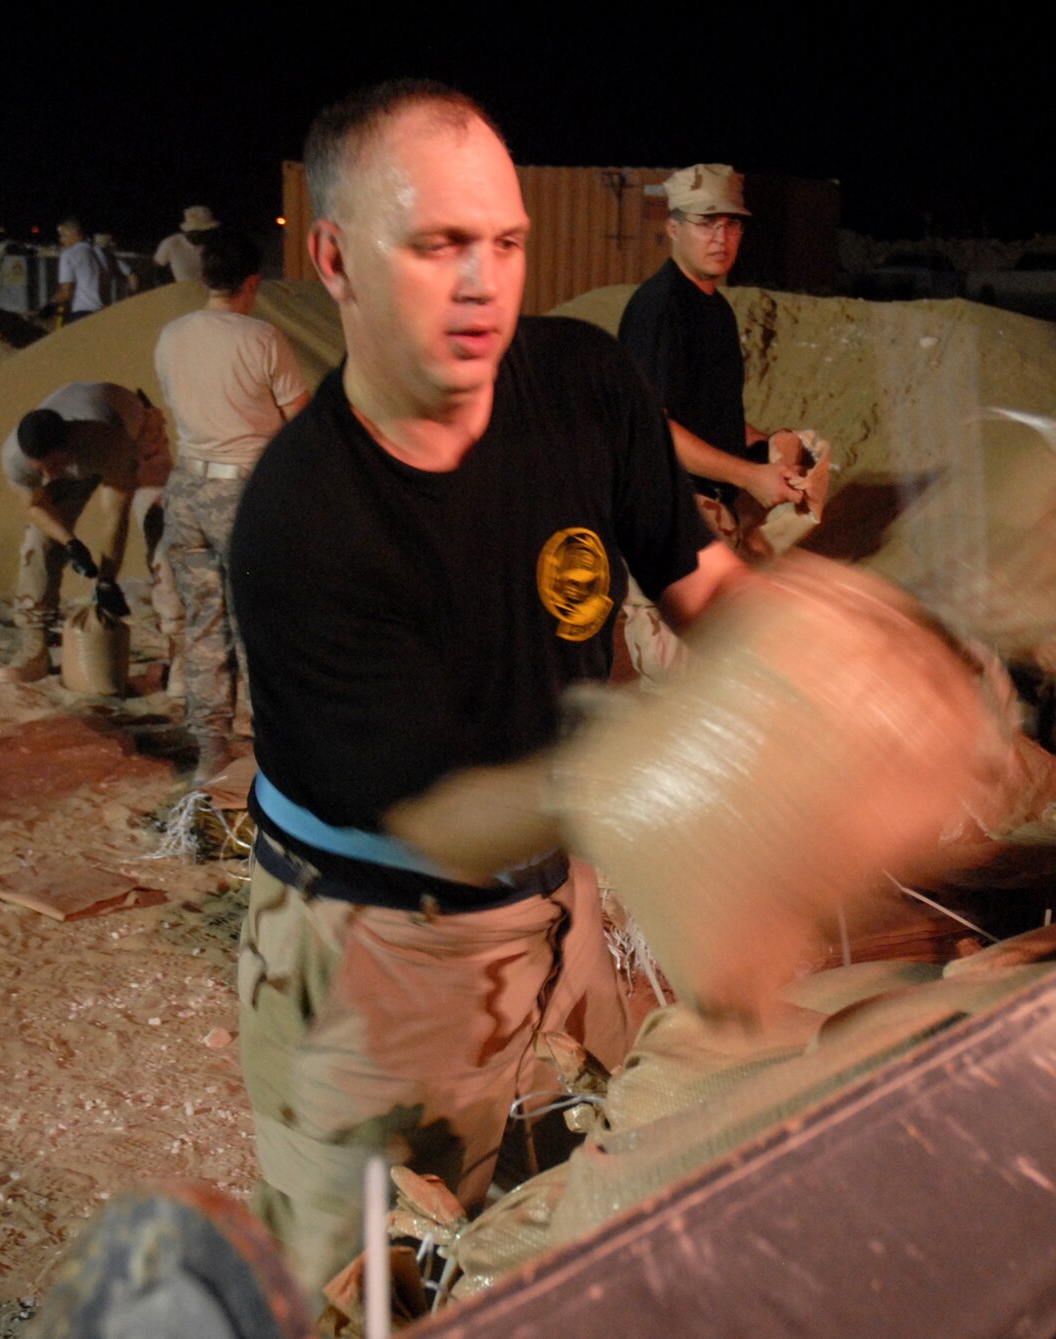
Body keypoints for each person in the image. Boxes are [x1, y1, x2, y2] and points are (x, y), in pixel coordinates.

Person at [226, 81, 744, 1298]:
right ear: (335, 258)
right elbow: (455, 815)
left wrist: (834, 643)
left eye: (503, 243)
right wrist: (718, 769)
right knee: (366, 1281)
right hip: (374, 947)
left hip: (555, 881)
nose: (481, 285)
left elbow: (701, 588)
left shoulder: (581, 386)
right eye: (437, 245)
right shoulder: (305, 524)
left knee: (556, 1238)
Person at [153, 229, 310, 779]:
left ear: (203, 278)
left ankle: (211, 748)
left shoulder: (171, 337)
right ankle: (274, 746)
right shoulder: (262, 338)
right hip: (244, 497)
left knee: (203, 622)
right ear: (252, 282)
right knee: (259, 624)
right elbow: (301, 424)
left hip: (187, 493)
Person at [617, 163, 800, 513]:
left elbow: (705, 412)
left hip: (711, 504)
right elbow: (652, 430)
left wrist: (766, 444)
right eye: (705, 223)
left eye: (731, 225)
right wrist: (749, 476)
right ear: (673, 228)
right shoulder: (659, 308)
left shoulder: (715, 309)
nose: (721, 238)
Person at [0, 382, 165, 683]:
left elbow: (115, 507)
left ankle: (180, 651)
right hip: (76, 460)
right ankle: (35, 653)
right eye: (40, 469)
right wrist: (70, 543)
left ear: (68, 445)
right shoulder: (17, 458)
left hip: (136, 437)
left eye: (53, 465)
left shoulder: (105, 439)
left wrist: (107, 577)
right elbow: (35, 506)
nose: (47, 476)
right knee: (38, 542)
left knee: (161, 528)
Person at [47, 217, 115, 323]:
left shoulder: (69, 254)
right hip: (102, 312)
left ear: (74, 234)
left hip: (81, 314)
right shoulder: (98, 251)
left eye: (63, 235)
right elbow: (106, 279)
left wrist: (47, 310)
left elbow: (66, 292)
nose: (61, 240)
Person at [154, 205, 220, 285]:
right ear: (189, 231)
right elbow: (158, 268)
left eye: (207, 232)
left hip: (209, 290)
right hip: (184, 291)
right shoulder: (171, 243)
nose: (205, 235)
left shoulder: (213, 244)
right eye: (200, 232)